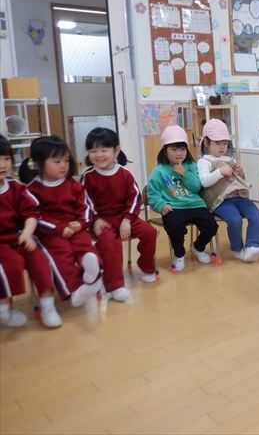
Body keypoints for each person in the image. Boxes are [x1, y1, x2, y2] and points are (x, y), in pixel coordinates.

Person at [23, 136, 103, 308]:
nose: (63, 165)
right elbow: (35, 216)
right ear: (38, 163)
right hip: (50, 233)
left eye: (66, 160)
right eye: (57, 161)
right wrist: (58, 228)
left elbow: (86, 206)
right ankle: (75, 289)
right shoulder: (32, 189)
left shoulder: (73, 185)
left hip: (75, 226)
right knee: (62, 255)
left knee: (86, 247)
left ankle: (91, 275)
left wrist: (81, 223)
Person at [81, 128, 158, 301]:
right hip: (101, 221)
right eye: (93, 151)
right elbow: (85, 202)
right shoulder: (88, 177)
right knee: (110, 243)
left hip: (125, 217)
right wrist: (95, 220)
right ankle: (114, 285)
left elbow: (135, 198)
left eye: (103, 150)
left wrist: (127, 220)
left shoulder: (125, 174)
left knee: (150, 232)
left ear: (116, 151)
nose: (98, 155)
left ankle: (146, 265)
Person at [0, 135, 61, 328]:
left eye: (6, 158)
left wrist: (27, 233)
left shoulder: (16, 187)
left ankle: (47, 305)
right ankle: (3, 311)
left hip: (18, 237)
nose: (3, 165)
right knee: (10, 266)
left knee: (40, 259)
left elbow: (32, 212)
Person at [147, 125, 217, 271]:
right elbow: (152, 194)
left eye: (182, 149)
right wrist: (161, 205)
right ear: (165, 150)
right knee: (176, 229)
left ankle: (197, 247)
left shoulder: (190, 165)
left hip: (195, 204)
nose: (179, 153)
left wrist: (184, 173)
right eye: (174, 149)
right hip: (174, 207)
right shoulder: (159, 171)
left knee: (211, 226)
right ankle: (179, 254)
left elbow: (196, 187)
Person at [197, 119, 259, 263]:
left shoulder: (229, 159)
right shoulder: (204, 161)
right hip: (220, 201)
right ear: (206, 142)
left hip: (237, 197)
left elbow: (238, 181)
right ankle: (237, 249)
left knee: (255, 214)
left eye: (225, 143)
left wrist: (240, 173)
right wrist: (220, 172)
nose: (222, 147)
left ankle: (252, 246)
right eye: (218, 143)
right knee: (234, 219)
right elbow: (204, 181)